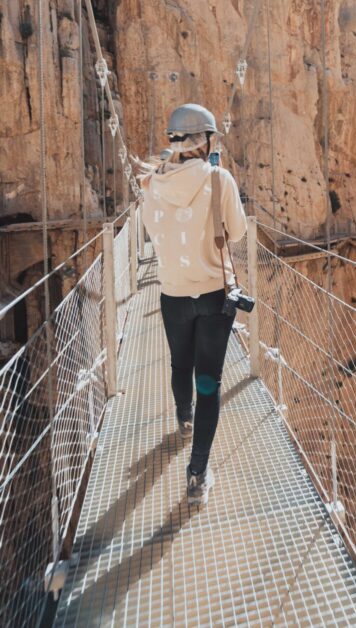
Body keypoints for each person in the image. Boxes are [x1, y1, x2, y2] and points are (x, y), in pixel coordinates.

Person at [140, 103, 247, 506]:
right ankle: (197, 474)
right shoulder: (220, 180)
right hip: (215, 298)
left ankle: (183, 418)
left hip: (174, 296)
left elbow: (153, 233)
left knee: (180, 365)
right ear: (206, 141)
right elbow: (236, 233)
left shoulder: (150, 184)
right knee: (210, 382)